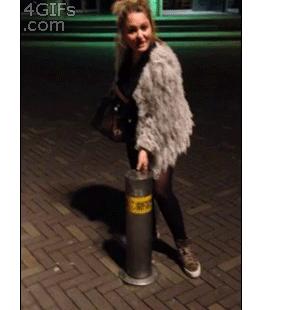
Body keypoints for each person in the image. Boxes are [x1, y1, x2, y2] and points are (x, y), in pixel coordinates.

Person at [111, 0, 201, 278]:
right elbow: (123, 88)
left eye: (144, 28)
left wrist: (145, 148)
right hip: (135, 130)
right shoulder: (125, 54)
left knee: (161, 189)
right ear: (123, 33)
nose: (140, 36)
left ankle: (183, 246)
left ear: (152, 26)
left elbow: (157, 112)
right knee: (143, 185)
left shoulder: (162, 61)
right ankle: (147, 232)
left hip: (164, 131)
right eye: (132, 30)